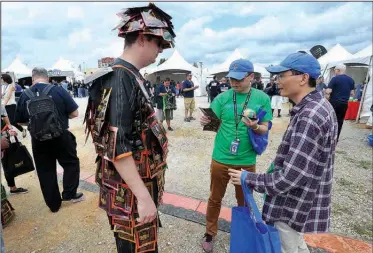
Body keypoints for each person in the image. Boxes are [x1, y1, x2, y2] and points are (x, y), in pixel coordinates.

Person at [84, 3, 175, 253]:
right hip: (130, 190)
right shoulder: (120, 76)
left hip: (137, 182)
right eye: (159, 44)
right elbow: (117, 145)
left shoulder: (130, 75)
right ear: (144, 38)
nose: (160, 51)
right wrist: (144, 198)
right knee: (136, 248)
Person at [228, 52, 338, 253]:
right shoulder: (319, 107)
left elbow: (290, 178)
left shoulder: (309, 116)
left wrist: (248, 178)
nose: (276, 81)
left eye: (282, 76)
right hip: (299, 203)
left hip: (291, 207)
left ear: (303, 78)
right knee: (297, 245)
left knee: (286, 246)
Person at [200, 59, 272, 252]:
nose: (234, 82)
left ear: (251, 77)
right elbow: (212, 123)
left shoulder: (262, 98)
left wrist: (255, 126)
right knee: (215, 198)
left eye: (239, 79)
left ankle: (245, 233)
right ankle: (209, 232)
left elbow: (265, 128)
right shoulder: (222, 98)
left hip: (246, 162)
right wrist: (205, 120)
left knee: (245, 201)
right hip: (221, 158)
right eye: (231, 78)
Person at [15, 67, 84, 213]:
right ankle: (69, 193)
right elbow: (75, 113)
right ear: (47, 77)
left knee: (45, 171)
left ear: (33, 79)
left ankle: (54, 205)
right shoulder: (58, 90)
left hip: (38, 139)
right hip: (60, 135)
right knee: (71, 163)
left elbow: (20, 121)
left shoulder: (24, 95)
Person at [325, 63, 355, 141]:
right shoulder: (351, 80)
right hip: (344, 104)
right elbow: (352, 93)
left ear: (338, 70)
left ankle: (328, 138)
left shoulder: (334, 79)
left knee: (330, 120)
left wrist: (325, 91)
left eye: (335, 70)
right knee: (340, 121)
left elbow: (328, 91)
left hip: (334, 103)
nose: (334, 71)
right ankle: (336, 138)